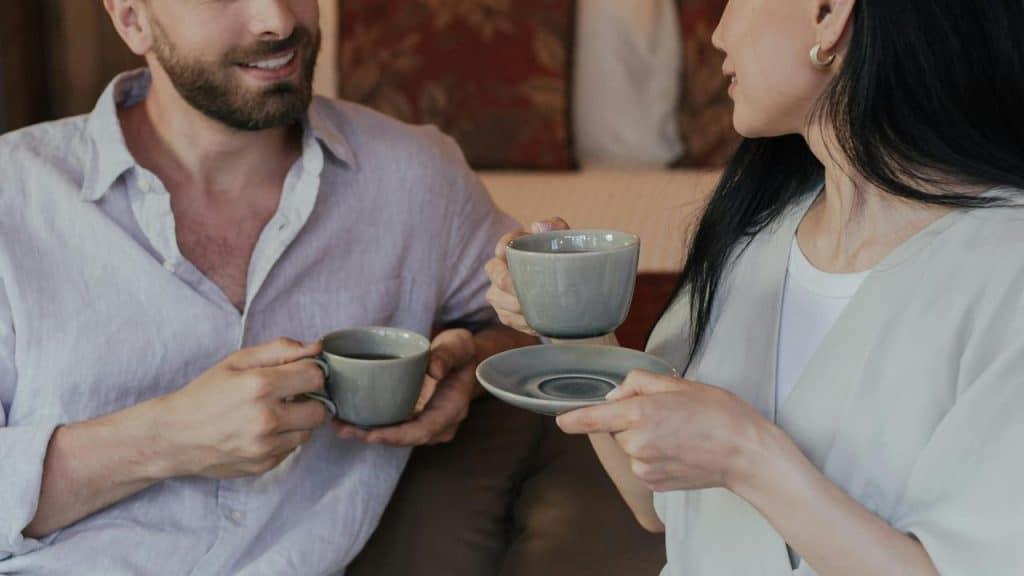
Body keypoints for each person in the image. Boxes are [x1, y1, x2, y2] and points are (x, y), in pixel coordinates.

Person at [486, 0, 1024, 574]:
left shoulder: (1004, 270)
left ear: (829, 13)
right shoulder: (753, 237)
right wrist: (571, 326)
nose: (717, 35)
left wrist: (747, 456)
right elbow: (655, 505)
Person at [0, 0, 534, 573]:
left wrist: (471, 367)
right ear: (132, 18)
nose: (277, 22)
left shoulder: (415, 175)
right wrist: (167, 438)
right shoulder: (16, 198)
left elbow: (531, 325)